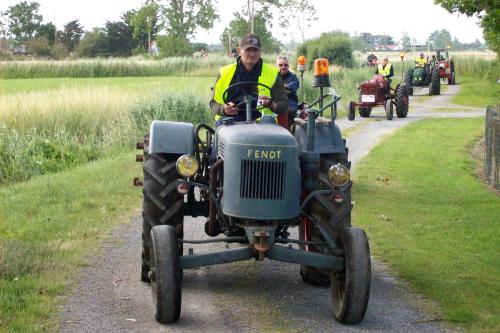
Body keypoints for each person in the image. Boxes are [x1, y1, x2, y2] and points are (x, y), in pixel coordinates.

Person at [210, 34, 288, 125]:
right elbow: (213, 103)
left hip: (261, 121)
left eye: (255, 50)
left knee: (269, 122)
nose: (252, 54)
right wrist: (223, 109)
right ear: (239, 51)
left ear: (260, 52)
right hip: (230, 120)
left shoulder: (272, 74)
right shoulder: (225, 73)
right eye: (248, 50)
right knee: (222, 124)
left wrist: (272, 105)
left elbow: (284, 104)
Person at [275, 55, 299, 126]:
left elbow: (293, 86)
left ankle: (288, 129)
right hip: (273, 102)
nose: (283, 67)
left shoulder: (293, 77)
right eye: (280, 65)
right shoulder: (272, 76)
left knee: (286, 110)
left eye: (285, 65)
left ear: (288, 66)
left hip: (290, 103)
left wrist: (280, 87)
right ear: (276, 66)